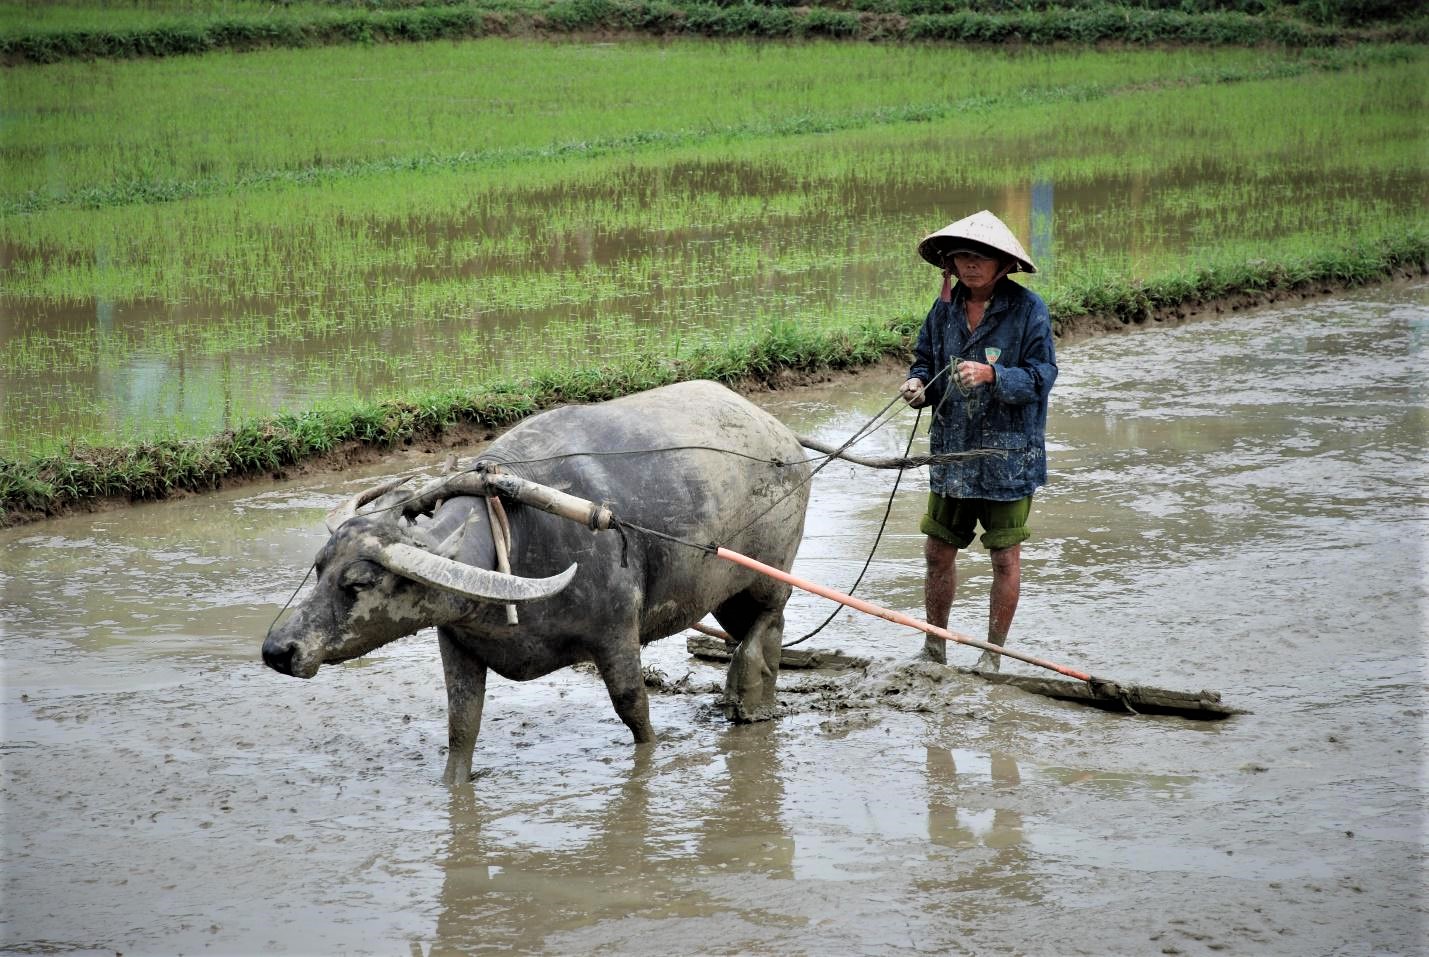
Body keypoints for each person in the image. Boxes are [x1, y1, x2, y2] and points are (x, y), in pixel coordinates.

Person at [900, 210, 1057, 672]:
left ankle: (993, 655)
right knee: (937, 551)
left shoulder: (1028, 310)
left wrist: (993, 375)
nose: (970, 265)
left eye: (981, 258)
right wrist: (917, 385)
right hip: (952, 451)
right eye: (962, 257)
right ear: (950, 264)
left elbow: (1043, 376)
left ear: (1004, 265)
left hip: (1008, 455)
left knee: (1004, 557)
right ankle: (934, 647)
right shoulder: (943, 309)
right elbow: (925, 361)